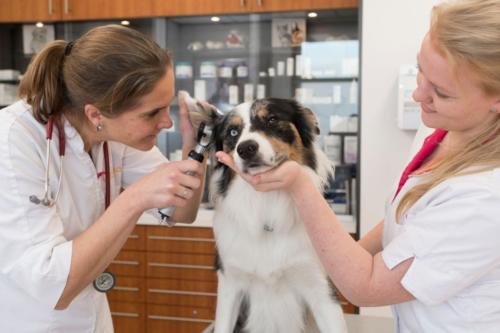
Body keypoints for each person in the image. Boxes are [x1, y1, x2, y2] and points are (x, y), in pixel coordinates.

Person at [216, 0, 500, 331]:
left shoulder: (485, 199)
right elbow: (405, 219)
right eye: (420, 69)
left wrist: (299, 186)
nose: (417, 95)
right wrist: (342, 258)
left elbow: (365, 288)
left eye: (440, 91)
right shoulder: (444, 127)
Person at [0, 25, 206, 332]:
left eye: (168, 106)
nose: (167, 122)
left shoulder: (113, 132)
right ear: (96, 114)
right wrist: (133, 199)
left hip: (92, 318)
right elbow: (52, 286)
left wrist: (194, 151)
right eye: (153, 113)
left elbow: (180, 212)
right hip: (30, 321)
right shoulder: (14, 141)